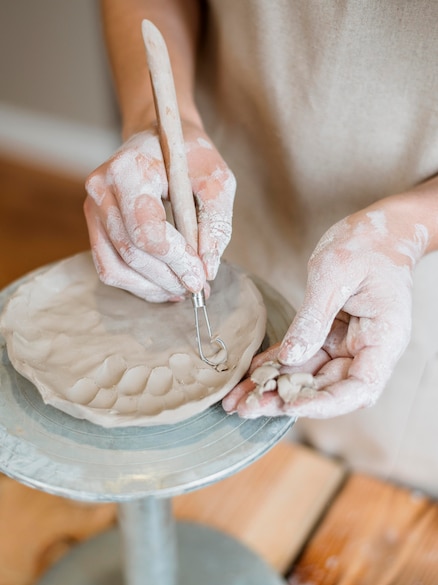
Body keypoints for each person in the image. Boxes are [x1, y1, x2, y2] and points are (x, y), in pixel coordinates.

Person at [84, 0, 438, 496]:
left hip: (405, 291)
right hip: (229, 189)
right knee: (235, 475)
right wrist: (158, 119)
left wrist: (415, 223)